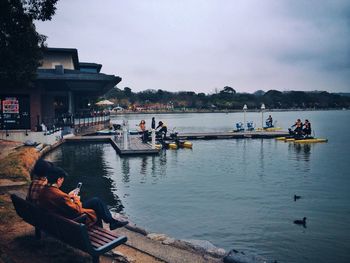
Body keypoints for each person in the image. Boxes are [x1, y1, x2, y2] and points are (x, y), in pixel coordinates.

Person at [38, 166, 128, 230]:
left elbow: (59, 201)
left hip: (59, 218)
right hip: (72, 220)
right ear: (59, 179)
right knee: (96, 207)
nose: (62, 182)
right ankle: (106, 227)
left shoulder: (44, 190)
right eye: (62, 180)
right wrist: (76, 198)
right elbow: (77, 210)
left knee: (95, 201)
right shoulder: (60, 195)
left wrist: (69, 196)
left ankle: (112, 221)